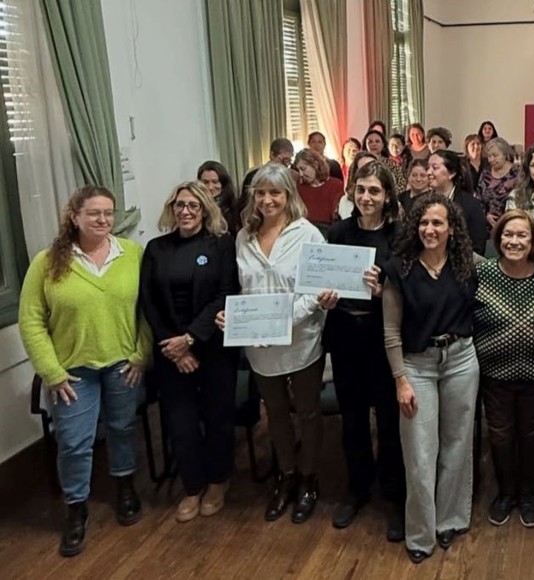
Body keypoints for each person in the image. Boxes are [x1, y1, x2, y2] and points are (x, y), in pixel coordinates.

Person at [18, 186, 150, 557]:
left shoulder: (133, 255)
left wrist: (141, 353)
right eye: (94, 213)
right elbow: (30, 321)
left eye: (108, 212)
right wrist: (51, 371)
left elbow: (147, 309)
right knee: (74, 442)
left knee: (123, 429)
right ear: (74, 216)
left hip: (123, 363)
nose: (103, 220)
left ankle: (125, 487)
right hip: (72, 373)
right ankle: (76, 510)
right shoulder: (46, 262)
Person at [216, 163, 332, 525]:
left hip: (301, 340)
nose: (268, 200)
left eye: (275, 193)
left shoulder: (308, 235)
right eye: (261, 193)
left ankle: (309, 479)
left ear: (288, 195)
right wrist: (229, 318)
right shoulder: (242, 238)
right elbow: (241, 290)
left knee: (309, 413)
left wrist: (285, 319)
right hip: (260, 345)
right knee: (276, 414)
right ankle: (286, 475)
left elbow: (317, 291)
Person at [382, 193, 480, 564]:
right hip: (417, 366)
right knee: (420, 452)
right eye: (423, 222)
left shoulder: (467, 263)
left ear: (451, 229)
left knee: (457, 443)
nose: (430, 229)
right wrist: (400, 380)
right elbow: (391, 333)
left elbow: (510, 264)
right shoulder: (399, 270)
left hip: (460, 360)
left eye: (438, 222)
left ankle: (451, 519)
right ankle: (421, 533)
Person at [139, 182, 238, 523]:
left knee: (217, 417)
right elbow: (149, 302)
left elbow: (225, 293)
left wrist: (192, 338)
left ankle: (217, 481)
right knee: (180, 421)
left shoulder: (221, 245)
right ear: (171, 208)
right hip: (170, 351)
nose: (186, 211)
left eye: (194, 206)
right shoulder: (155, 249)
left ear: (206, 209)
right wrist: (175, 345)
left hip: (212, 345)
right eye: (180, 205)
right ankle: (192, 486)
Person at [321, 161, 405, 540]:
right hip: (345, 335)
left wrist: (383, 291)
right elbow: (321, 279)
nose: (367, 197)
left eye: (374, 191)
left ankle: (394, 495)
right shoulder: (338, 231)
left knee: (389, 422)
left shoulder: (400, 235)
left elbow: (410, 288)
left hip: (382, 338)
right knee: (352, 418)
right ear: (352, 193)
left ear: (387, 195)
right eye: (361, 190)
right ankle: (357, 489)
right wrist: (324, 297)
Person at [473, 210, 534, 528]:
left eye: (522, 235)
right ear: (498, 238)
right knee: (502, 436)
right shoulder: (483, 271)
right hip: (494, 375)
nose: (514, 241)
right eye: (508, 234)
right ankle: (506, 492)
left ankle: (529, 493)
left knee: (532, 435)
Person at [427, 149, 488, 255]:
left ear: (452, 173)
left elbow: (478, 246)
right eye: (428, 167)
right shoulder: (421, 202)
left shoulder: (471, 205)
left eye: (435, 168)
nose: (428, 172)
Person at [294, 148, 345, 231]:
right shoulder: (299, 187)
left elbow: (338, 216)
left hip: (329, 231)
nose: (301, 174)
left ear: (315, 164)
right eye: (298, 170)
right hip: (304, 231)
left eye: (303, 169)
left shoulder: (336, 185)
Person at [476, 137, 520, 231]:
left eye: (495, 155)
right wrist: (486, 215)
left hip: (513, 225)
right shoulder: (486, 173)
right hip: (489, 228)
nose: (491, 159)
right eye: (489, 156)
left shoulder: (517, 172)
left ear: (504, 153)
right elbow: (478, 200)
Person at [241, 137, 295, 202]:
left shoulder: (288, 176)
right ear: (272, 155)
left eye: (288, 161)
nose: (285, 166)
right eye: (284, 160)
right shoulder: (254, 174)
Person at [197, 160, 242, 235]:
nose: (210, 187)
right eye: (205, 182)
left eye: (215, 182)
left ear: (223, 183)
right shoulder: (195, 208)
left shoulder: (235, 207)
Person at [340, 151, 379, 219]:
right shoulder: (346, 201)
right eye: (363, 169)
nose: (369, 172)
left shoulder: (388, 198)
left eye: (373, 167)